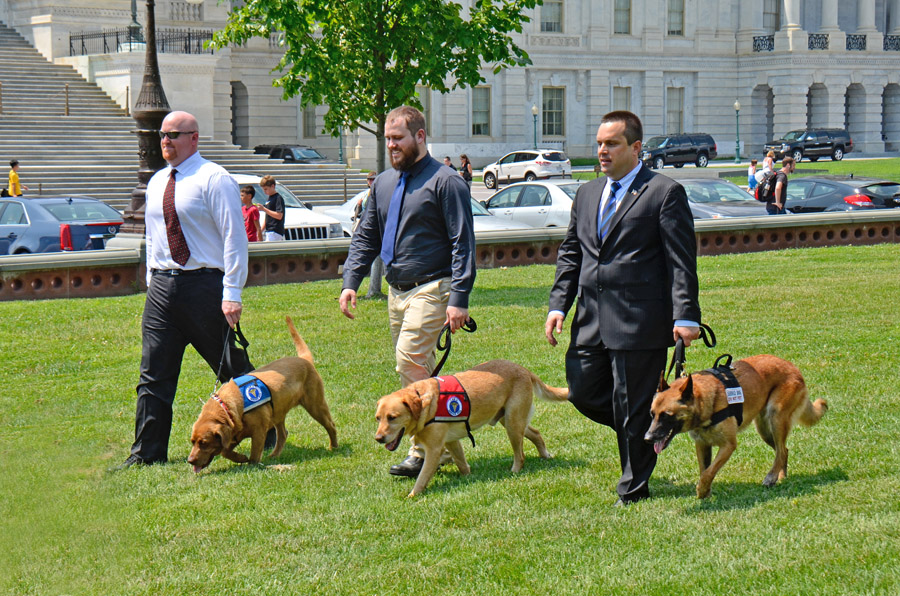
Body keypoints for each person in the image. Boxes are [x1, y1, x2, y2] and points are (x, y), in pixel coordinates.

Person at [545, 110, 702, 506]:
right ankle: (651, 430)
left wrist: (686, 316)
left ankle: (632, 489)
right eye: (599, 143)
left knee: (631, 405)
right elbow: (571, 254)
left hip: (639, 321)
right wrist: (559, 304)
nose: (602, 151)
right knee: (582, 391)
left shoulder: (663, 193)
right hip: (590, 320)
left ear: (635, 148)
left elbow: (681, 261)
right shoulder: (586, 193)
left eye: (611, 144)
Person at [340, 105, 476, 478]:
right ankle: (443, 441)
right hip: (396, 292)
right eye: (387, 139)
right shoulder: (383, 183)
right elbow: (366, 235)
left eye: (397, 138)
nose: (391, 146)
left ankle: (419, 450)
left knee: (409, 361)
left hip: (434, 286)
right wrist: (351, 281)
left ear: (420, 137)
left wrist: (459, 298)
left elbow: (462, 243)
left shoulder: (446, 181)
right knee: (420, 373)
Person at [113, 110, 253, 469]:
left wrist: (231, 291)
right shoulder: (158, 181)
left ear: (194, 138)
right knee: (153, 374)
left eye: (174, 134)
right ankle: (147, 453)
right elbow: (156, 238)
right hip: (162, 288)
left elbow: (234, 238)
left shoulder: (214, 178)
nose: (165, 140)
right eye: (162, 134)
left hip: (203, 285)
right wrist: (152, 285)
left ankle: (262, 433)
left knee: (232, 369)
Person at [257, 175, 285, 241]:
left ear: (272, 186)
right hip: (269, 230)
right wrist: (261, 230)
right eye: (263, 189)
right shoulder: (269, 198)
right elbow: (267, 217)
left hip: (275, 231)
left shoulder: (278, 198)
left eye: (266, 189)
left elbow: (279, 215)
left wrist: (264, 209)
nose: (264, 191)